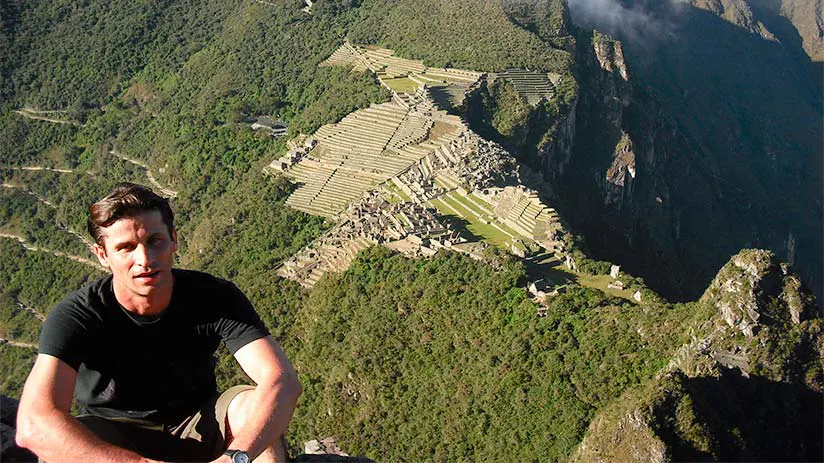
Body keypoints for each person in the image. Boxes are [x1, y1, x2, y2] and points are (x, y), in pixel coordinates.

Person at [15, 183, 301, 463]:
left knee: (252, 407)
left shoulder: (214, 297)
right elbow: (33, 424)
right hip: (115, 437)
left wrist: (233, 458)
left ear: (174, 239)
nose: (145, 259)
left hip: (200, 426)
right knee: (60, 448)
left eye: (154, 241)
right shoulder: (79, 315)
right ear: (103, 255)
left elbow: (281, 381)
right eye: (126, 248)